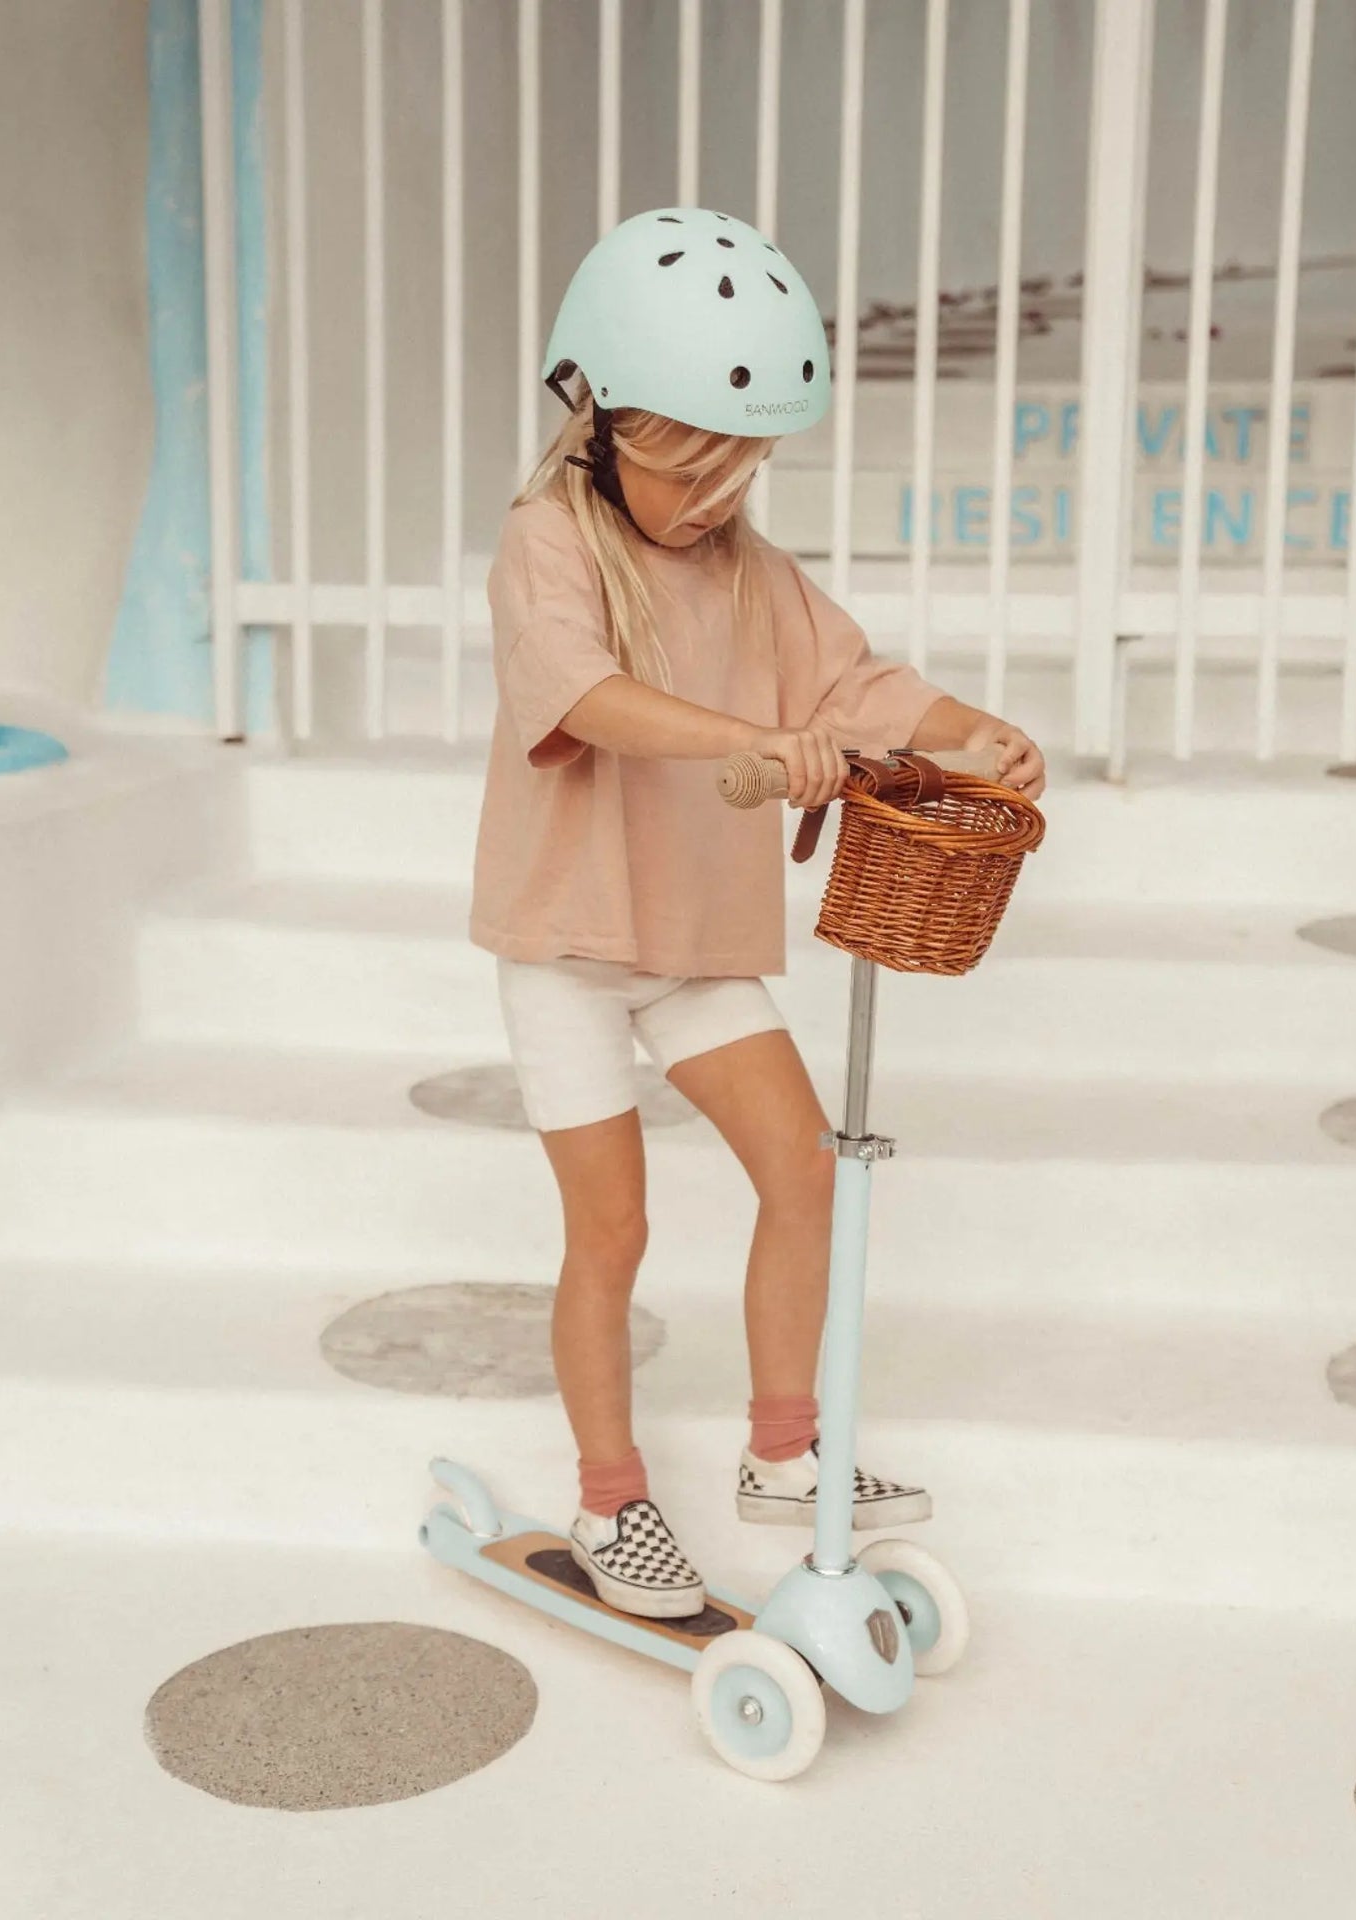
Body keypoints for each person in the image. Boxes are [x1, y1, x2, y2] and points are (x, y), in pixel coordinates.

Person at [470, 206, 1046, 1619]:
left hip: (694, 951)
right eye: (692, 464)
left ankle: (783, 1457)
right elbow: (579, 693)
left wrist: (972, 731)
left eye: (748, 464)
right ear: (598, 417)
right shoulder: (547, 542)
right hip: (567, 947)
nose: (720, 495)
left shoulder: (751, 572)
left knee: (807, 1174)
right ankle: (611, 1502)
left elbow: (858, 686)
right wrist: (741, 733)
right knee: (610, 1232)